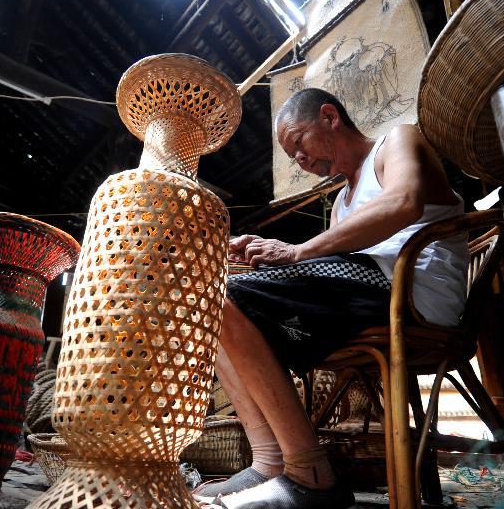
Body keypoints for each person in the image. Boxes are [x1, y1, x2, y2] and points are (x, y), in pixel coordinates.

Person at [195, 88, 469, 509]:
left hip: (412, 295)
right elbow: (334, 265)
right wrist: (272, 255)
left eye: (299, 144)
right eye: (292, 157)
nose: (300, 161)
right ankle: (270, 461)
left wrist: (295, 252)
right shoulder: (342, 198)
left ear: (329, 116)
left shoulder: (397, 141)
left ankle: (311, 477)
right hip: (368, 295)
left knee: (228, 295)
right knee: (215, 303)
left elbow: (404, 202)